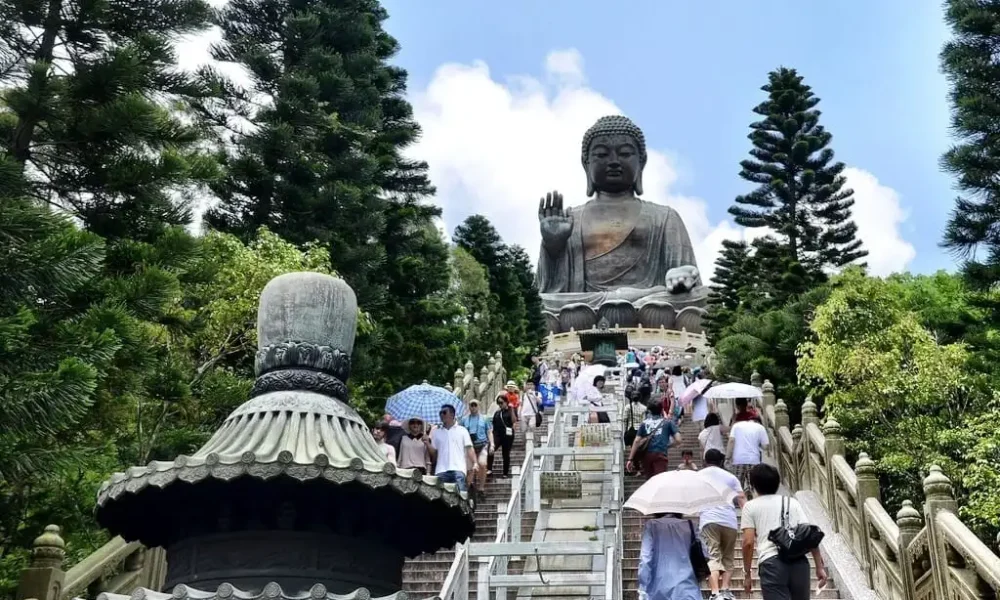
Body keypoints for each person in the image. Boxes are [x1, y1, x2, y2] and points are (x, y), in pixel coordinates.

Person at [742, 464, 827, 600]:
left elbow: (748, 542)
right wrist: (819, 566)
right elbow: (808, 535)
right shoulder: (792, 502)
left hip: (771, 564)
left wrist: (747, 573)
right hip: (799, 563)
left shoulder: (750, 507)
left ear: (754, 485)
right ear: (776, 483)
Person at [699, 449, 747, 600]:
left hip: (709, 520)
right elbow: (742, 499)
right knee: (728, 557)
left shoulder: (698, 476)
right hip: (729, 520)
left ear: (705, 461)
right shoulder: (731, 477)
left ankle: (715, 593)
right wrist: (749, 523)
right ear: (720, 461)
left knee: (713, 556)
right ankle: (725, 590)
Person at [637, 512, 702, 600]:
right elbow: (704, 553)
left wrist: (643, 587)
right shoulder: (691, 525)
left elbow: (645, 558)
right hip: (688, 586)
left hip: (659, 588)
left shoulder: (652, 525)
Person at [424, 404, 477, 493]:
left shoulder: (462, 430)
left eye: (444, 412)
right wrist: (427, 443)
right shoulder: (436, 432)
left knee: (460, 496)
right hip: (441, 470)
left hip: (458, 469)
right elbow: (434, 455)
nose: (441, 415)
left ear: (452, 414)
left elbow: (469, 448)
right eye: (440, 413)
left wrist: (475, 462)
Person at [625, 400, 679, 477]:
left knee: (649, 481)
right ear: (661, 409)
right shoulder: (668, 422)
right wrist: (668, 446)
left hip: (647, 455)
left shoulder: (644, 423)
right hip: (661, 453)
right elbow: (678, 440)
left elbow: (636, 441)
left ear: (649, 411)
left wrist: (630, 459)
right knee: (660, 479)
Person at [728, 416, 769, 497]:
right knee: (754, 485)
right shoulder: (760, 427)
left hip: (738, 460)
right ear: (758, 422)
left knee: (738, 486)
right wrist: (757, 444)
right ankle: (755, 501)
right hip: (754, 460)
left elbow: (731, 441)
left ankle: (740, 503)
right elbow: (766, 446)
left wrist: (727, 457)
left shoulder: (736, 426)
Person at [460, 399, 493, 499]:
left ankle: (481, 488)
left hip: (482, 444)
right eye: (471, 405)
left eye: (475, 405)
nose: (473, 407)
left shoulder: (485, 418)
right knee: (469, 469)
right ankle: (468, 489)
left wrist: (492, 444)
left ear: (479, 406)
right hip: (470, 446)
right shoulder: (464, 420)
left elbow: (489, 432)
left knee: (482, 464)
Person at [492, 395, 517, 478]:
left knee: (505, 454)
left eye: (501, 402)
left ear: (506, 402)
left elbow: (514, 421)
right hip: (497, 434)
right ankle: (489, 468)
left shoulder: (510, 411)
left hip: (507, 435)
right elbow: (494, 424)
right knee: (491, 449)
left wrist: (511, 409)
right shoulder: (497, 412)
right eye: (498, 403)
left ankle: (505, 473)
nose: (500, 404)